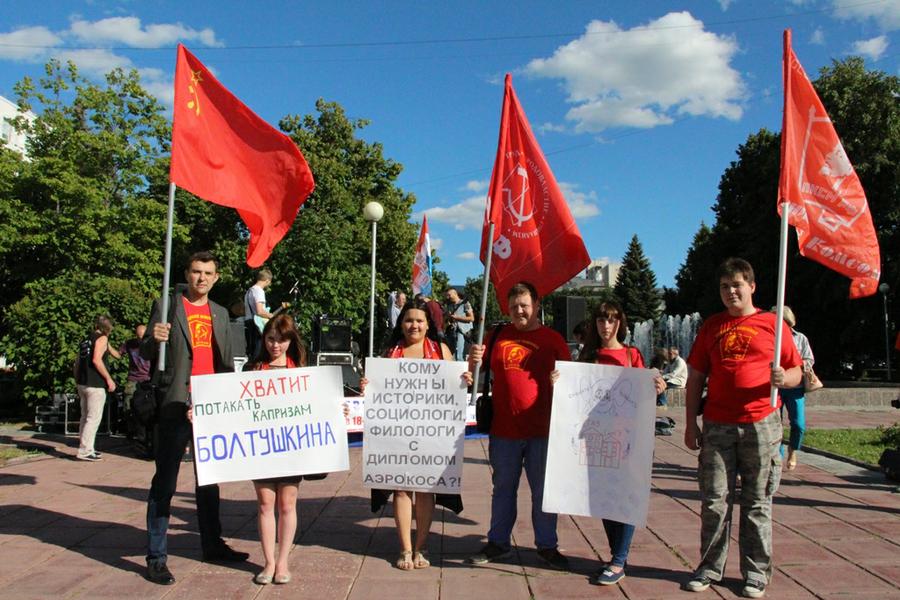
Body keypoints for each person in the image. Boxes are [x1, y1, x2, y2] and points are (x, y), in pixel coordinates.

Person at [683, 258, 802, 599]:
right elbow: (695, 379)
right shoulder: (711, 327)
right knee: (714, 501)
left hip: (761, 424)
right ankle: (708, 567)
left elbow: (797, 372)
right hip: (718, 425)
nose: (731, 291)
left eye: (736, 284)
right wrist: (691, 423)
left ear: (752, 286)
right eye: (724, 286)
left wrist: (785, 377)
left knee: (757, 501)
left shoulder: (773, 324)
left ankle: (755, 573)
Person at [141, 251, 249, 585]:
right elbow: (145, 352)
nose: (201, 278)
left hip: (209, 406)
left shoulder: (219, 313)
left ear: (216, 278)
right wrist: (152, 339)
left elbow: (228, 364)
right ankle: (157, 556)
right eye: (196, 272)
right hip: (175, 403)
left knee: (209, 481)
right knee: (166, 481)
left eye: (208, 273)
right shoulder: (168, 306)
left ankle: (212, 544)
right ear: (187, 274)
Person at [467, 281, 571, 570]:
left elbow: (573, 380)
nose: (519, 311)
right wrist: (472, 361)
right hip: (505, 431)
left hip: (543, 430)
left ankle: (547, 546)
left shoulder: (553, 340)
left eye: (524, 305)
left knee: (543, 493)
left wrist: (561, 380)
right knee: (503, 489)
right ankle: (498, 543)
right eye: (514, 307)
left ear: (536, 305)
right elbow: (474, 373)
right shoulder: (497, 335)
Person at [367, 299, 471, 570]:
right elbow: (378, 389)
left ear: (428, 325)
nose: (414, 325)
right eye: (409, 320)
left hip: (431, 432)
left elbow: (454, 385)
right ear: (401, 323)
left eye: (419, 321)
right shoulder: (390, 352)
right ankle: (404, 548)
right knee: (401, 488)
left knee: (425, 489)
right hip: (397, 431)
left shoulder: (441, 350)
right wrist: (368, 383)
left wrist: (465, 380)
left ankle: (421, 547)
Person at [577, 301, 666, 586]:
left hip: (628, 437)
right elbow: (576, 393)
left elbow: (644, 391)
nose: (606, 326)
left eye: (612, 320)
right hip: (597, 438)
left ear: (620, 323)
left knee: (625, 496)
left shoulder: (632, 354)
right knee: (604, 499)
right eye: (602, 320)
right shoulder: (588, 357)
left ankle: (618, 559)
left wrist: (658, 387)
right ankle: (616, 555)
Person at [246, 314, 309, 585]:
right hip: (261, 447)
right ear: (263, 339)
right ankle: (268, 562)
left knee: (287, 504)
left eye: (282, 339)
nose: (275, 345)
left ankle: (282, 561)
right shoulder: (252, 369)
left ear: (291, 340)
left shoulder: (302, 371)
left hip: (290, 447)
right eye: (271, 338)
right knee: (265, 504)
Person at [771, 306, 814, 471]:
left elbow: (809, 359)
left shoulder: (800, 338)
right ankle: (778, 456)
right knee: (776, 424)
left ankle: (793, 450)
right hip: (775, 387)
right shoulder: (770, 337)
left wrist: (794, 364)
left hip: (795, 386)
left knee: (798, 424)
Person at [74, 315, 119, 461]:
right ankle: (85, 451)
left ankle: (86, 447)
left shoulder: (86, 340)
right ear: (108, 328)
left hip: (82, 382)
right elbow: (96, 360)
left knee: (85, 417)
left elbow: (77, 362)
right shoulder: (102, 339)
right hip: (96, 383)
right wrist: (109, 379)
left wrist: (77, 379)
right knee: (93, 418)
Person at [119, 324, 151, 412]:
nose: (140, 340)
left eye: (142, 337)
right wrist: (107, 346)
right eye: (138, 337)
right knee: (129, 405)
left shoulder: (151, 344)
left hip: (148, 379)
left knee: (147, 406)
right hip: (133, 379)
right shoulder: (130, 344)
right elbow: (119, 355)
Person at [244, 268, 274, 358]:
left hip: (249, 321)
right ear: (267, 280)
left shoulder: (249, 291)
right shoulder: (259, 291)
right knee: (259, 348)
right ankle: (257, 368)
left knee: (251, 349)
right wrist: (270, 315)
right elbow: (259, 311)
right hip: (256, 323)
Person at [444, 287, 474, 361]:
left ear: (455, 294)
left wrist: (457, 317)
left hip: (462, 332)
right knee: (450, 354)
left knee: (459, 355)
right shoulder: (449, 305)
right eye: (446, 295)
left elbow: (471, 318)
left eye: (449, 295)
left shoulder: (465, 303)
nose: (447, 297)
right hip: (451, 332)